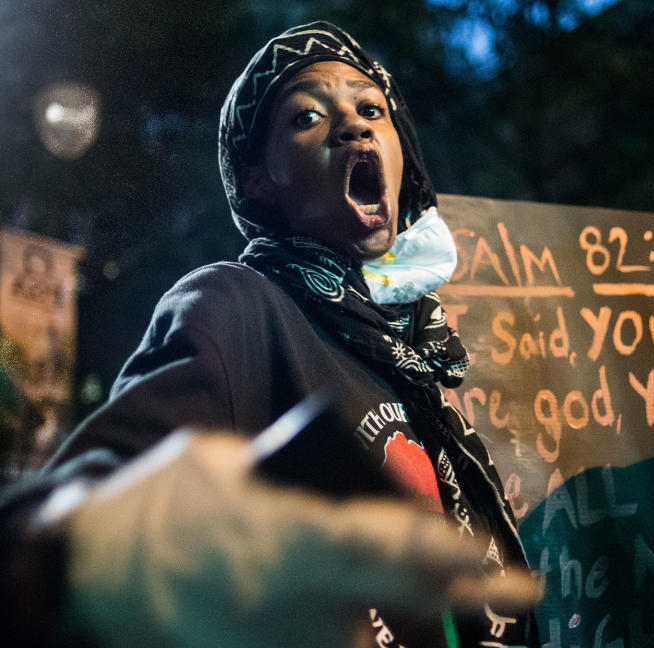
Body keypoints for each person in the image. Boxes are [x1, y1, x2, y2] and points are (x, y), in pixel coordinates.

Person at [0, 21, 540, 647]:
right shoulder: (237, 305)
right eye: (308, 117)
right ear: (259, 179)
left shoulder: (421, 356)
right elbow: (69, 513)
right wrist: (90, 551)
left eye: (372, 109)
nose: (354, 125)